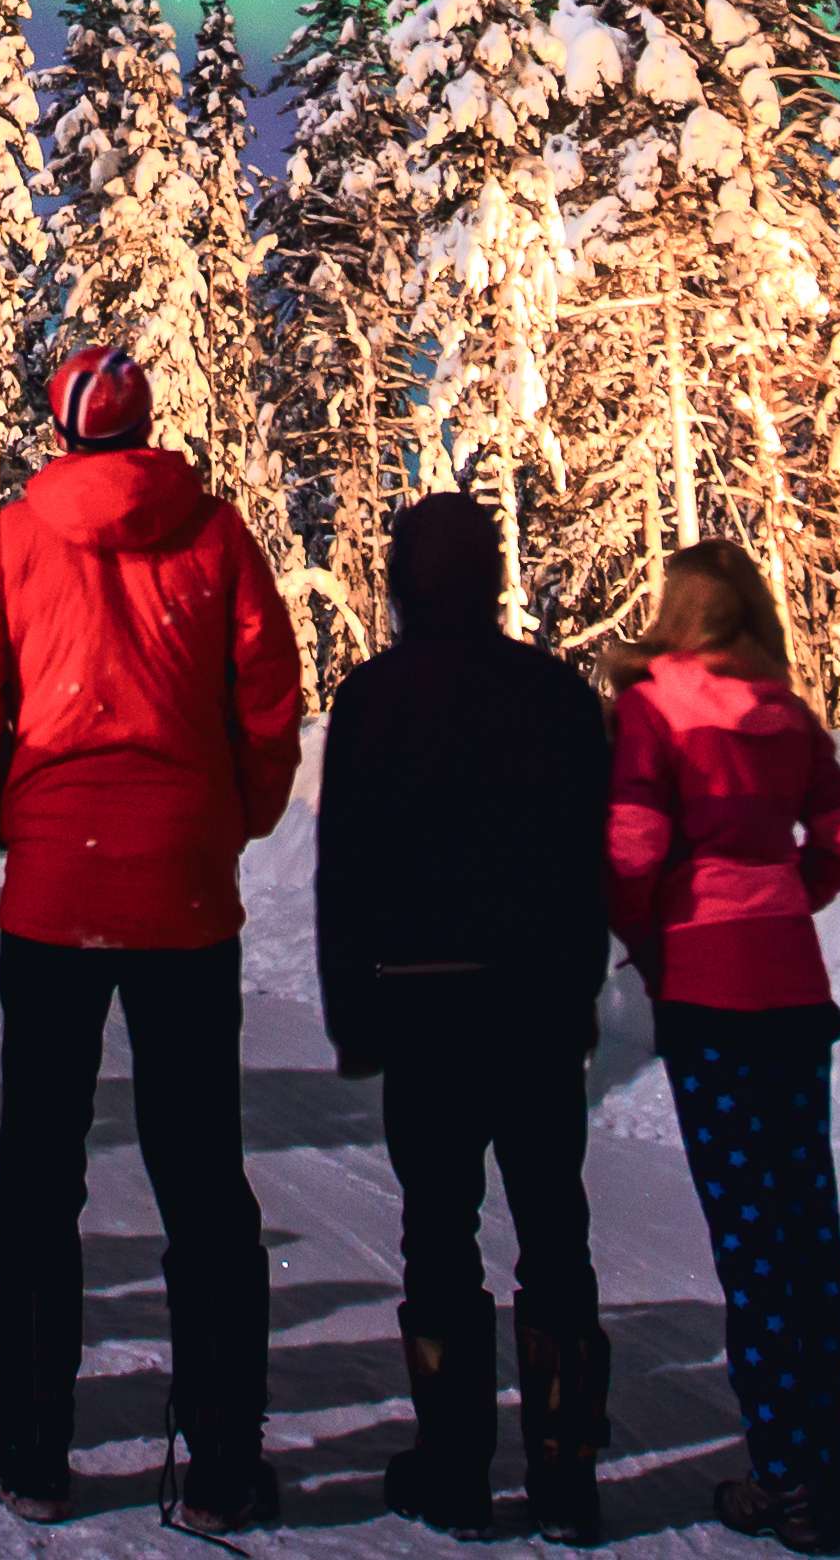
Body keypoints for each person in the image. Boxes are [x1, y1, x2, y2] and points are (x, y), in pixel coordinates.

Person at [0, 344, 303, 1531]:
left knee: (40, 1164)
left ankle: (35, 1445)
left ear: (62, 427)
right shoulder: (216, 536)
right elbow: (267, 698)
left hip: (55, 887)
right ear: (145, 426)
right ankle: (224, 1465)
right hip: (183, 889)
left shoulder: (14, 536)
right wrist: (230, 817)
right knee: (201, 1170)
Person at [316, 491, 615, 1542]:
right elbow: (593, 860)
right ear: (490, 577)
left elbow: (342, 871)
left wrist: (352, 1007)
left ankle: (452, 1470)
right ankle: (566, 1475)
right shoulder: (557, 695)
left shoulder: (373, 699)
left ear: (401, 580)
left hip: (423, 1002)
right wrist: (582, 986)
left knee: (437, 1232)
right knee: (554, 1230)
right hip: (533, 1001)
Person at [606, 540, 840, 1556]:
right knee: (808, 1229)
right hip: (793, 993)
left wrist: (653, 932)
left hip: (707, 995)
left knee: (748, 1238)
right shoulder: (785, 713)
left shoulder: (649, 709)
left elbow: (630, 846)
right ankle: (823, 1468)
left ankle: (783, 1477)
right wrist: (782, 898)